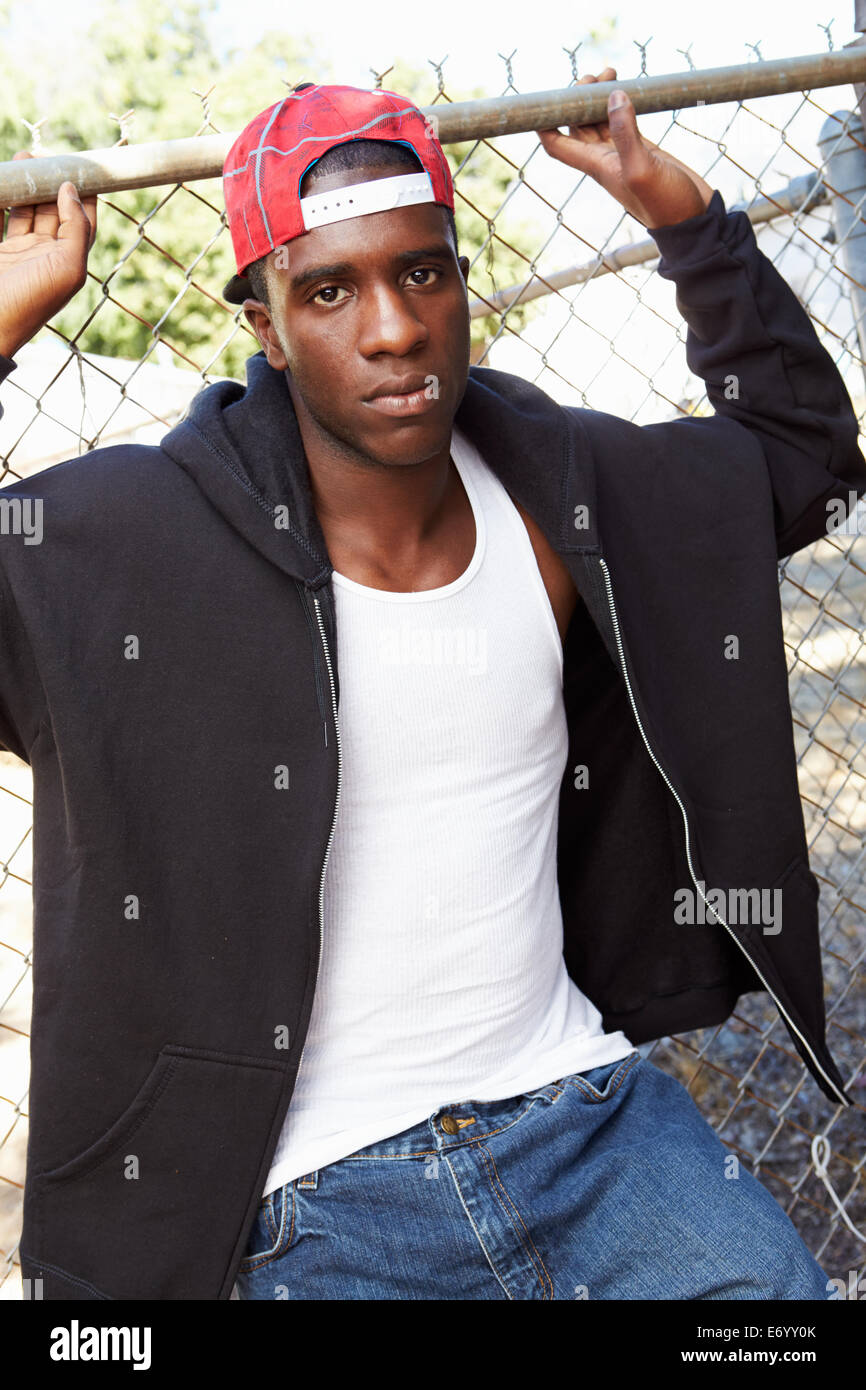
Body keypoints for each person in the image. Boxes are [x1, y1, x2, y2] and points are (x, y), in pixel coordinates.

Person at [0, 73, 861, 1302]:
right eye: (330, 289)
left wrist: (686, 218)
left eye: (422, 272)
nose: (394, 329)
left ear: (460, 278)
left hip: (586, 1122)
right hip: (305, 1203)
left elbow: (800, 454)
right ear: (264, 323)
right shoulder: (137, 537)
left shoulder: (560, 492)